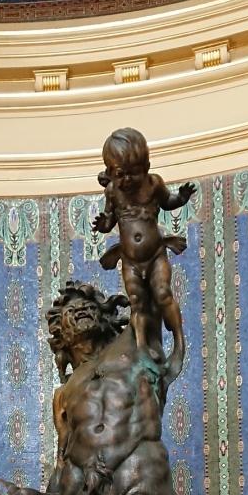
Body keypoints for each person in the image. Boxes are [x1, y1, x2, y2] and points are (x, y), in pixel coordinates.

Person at [92, 127, 195, 369]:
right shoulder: (113, 192)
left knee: (163, 293)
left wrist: (181, 198)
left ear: (146, 167)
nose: (127, 180)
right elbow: (109, 221)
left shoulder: (153, 184)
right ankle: (142, 350)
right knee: (136, 302)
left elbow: (167, 201)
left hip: (156, 255)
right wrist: (102, 224)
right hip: (130, 260)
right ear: (110, 173)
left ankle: (179, 343)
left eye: (134, 173)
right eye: (120, 174)